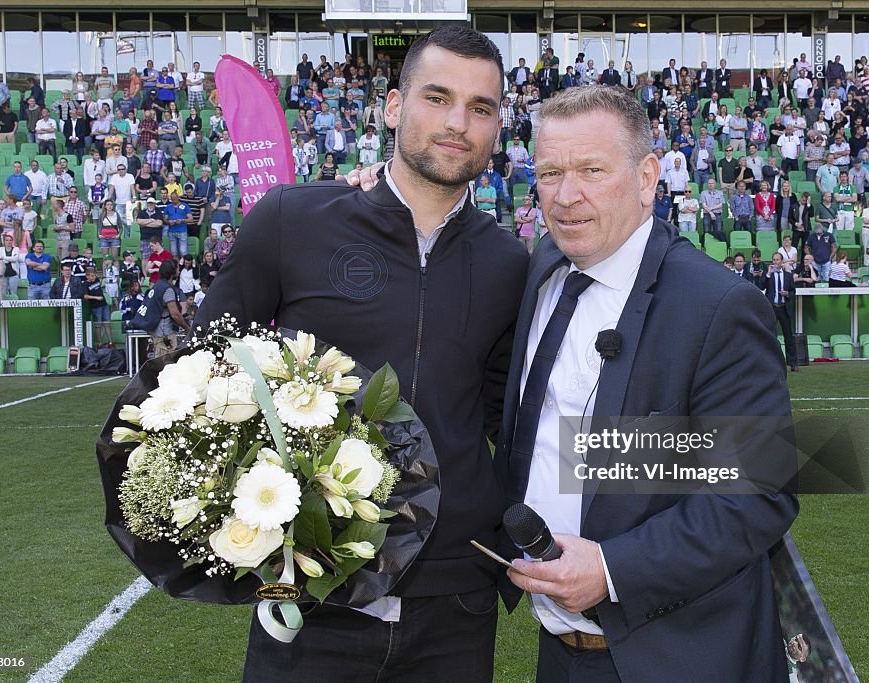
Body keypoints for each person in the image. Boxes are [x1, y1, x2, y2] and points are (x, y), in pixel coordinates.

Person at [193, 26, 529, 682]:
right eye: (437, 97)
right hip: (311, 586)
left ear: (496, 128)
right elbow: (209, 366)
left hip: (454, 596)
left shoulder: (510, 263)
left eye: (481, 108)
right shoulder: (292, 220)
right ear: (393, 108)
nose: (458, 122)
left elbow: (507, 421)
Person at [496, 85, 795, 682]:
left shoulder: (718, 305)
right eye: (549, 172)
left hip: (681, 657)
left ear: (647, 177)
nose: (566, 194)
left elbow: (757, 493)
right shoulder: (543, 273)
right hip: (559, 651)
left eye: (592, 170)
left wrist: (611, 569)